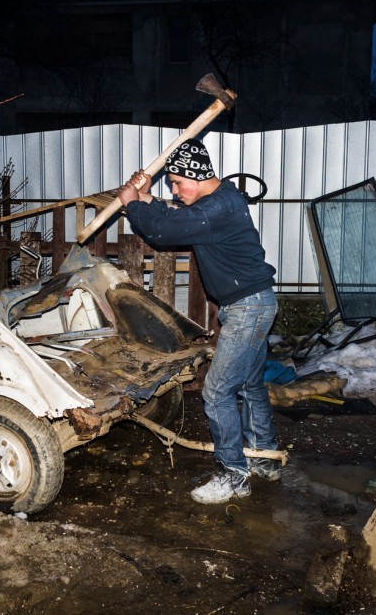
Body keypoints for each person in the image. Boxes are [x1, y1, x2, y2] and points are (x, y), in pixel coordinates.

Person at [117, 138, 280, 504]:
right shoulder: (220, 199)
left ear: (196, 174)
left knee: (217, 391)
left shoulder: (217, 208)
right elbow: (178, 215)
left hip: (248, 309)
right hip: (254, 304)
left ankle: (233, 475)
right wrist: (146, 198)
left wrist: (132, 204)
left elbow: (165, 232)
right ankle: (264, 458)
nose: (174, 190)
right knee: (249, 384)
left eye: (177, 182)